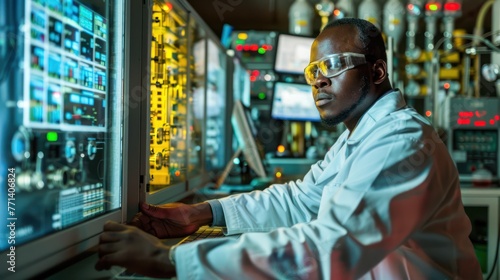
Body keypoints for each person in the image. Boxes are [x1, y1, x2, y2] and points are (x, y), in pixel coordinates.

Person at [96, 18, 482, 279]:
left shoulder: (401, 142)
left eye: (333, 65)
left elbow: (332, 247)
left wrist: (165, 259)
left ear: (377, 72)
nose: (319, 82)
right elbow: (300, 201)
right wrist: (202, 213)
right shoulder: (360, 137)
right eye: (313, 72)